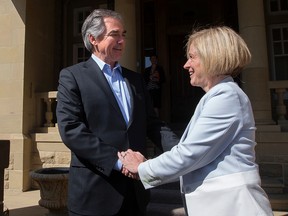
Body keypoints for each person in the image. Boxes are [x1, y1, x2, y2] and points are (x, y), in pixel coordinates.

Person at [118, 26, 274, 216]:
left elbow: (189, 154)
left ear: (212, 57)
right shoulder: (219, 95)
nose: (185, 64)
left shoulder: (226, 96)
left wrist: (142, 167)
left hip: (233, 205)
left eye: (192, 57)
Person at [56, 9, 178, 216]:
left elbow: (152, 124)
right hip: (94, 194)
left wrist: (182, 151)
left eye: (124, 34)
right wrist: (120, 162)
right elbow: (71, 129)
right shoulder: (72, 77)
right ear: (93, 39)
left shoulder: (136, 80)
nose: (122, 40)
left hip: (136, 195)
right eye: (115, 34)